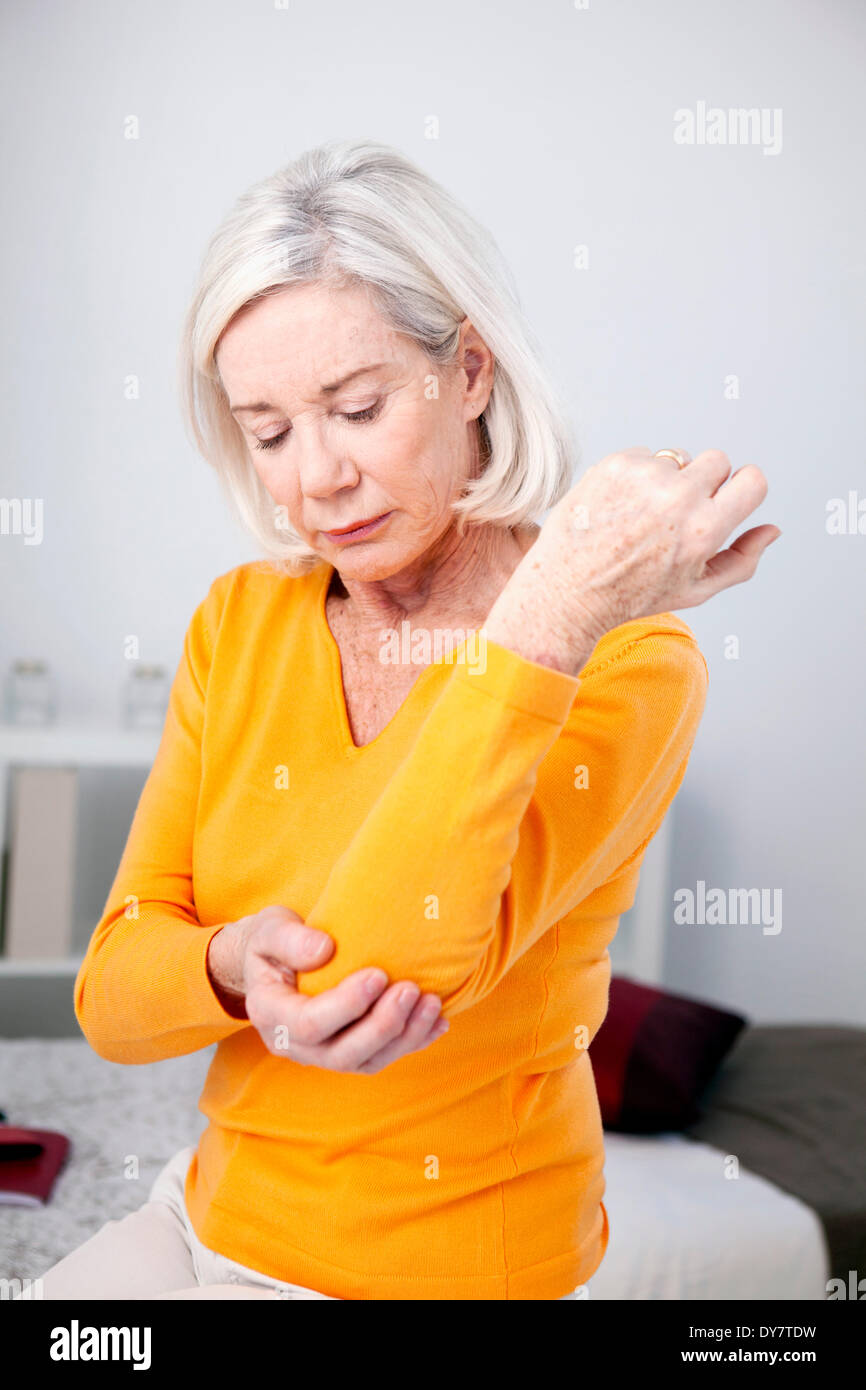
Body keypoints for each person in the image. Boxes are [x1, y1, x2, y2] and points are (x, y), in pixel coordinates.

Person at [37, 138, 778, 1301]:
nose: (313, 477)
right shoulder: (241, 620)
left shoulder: (629, 657)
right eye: (268, 429)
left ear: (469, 372)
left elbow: (393, 958)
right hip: (203, 1216)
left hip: (448, 1273)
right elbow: (115, 996)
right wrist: (226, 962)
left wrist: (551, 610)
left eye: (356, 408)